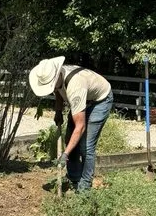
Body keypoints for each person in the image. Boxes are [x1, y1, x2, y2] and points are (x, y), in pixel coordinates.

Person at [29, 56, 113, 191]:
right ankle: (74, 179)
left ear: (56, 77)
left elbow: (80, 127)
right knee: (70, 139)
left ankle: (84, 188)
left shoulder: (75, 86)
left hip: (100, 101)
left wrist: (65, 154)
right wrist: (58, 111)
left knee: (86, 146)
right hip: (83, 99)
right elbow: (58, 91)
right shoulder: (58, 76)